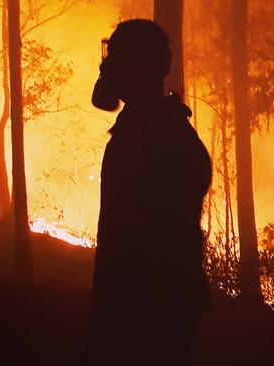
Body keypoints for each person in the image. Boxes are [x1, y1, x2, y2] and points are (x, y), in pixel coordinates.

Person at [82, 19, 212, 366]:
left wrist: (114, 306)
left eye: (117, 60)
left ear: (135, 67)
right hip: (150, 308)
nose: (108, 68)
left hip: (143, 313)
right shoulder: (163, 129)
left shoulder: (153, 135)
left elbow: (142, 235)